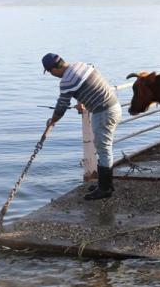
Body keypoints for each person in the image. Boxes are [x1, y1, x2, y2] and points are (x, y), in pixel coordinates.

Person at [42, 53, 121, 200]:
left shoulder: (66, 81)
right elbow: (90, 83)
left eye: (50, 72)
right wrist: (84, 101)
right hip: (112, 106)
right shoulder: (81, 65)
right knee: (103, 148)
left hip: (104, 112)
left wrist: (52, 122)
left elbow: (61, 107)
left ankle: (105, 190)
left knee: (104, 150)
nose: (53, 75)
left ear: (53, 69)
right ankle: (105, 184)